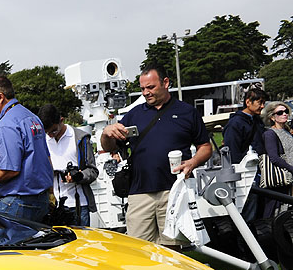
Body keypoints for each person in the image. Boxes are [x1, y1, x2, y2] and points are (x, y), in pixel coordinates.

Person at [99, 64, 211, 245]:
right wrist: (106, 133)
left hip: (174, 191)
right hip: (139, 192)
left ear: (165, 83)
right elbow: (110, 146)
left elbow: (205, 146)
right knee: (138, 251)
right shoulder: (134, 114)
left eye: (150, 87)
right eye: (142, 88)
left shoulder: (187, 112)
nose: (145, 93)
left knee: (174, 249)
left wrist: (192, 162)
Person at [0, 75, 53, 222]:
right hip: (41, 200)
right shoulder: (32, 118)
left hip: (19, 202)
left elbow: (10, 169)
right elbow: (46, 158)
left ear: (0, 97)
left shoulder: (8, 123)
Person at [38, 104, 99, 226]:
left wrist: (78, 176)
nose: (51, 135)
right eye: (47, 132)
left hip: (79, 204)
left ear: (62, 120)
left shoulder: (80, 138)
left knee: (82, 243)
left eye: (54, 130)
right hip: (53, 205)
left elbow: (93, 171)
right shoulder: (42, 140)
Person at [223, 87, 268, 218]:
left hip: (259, 172)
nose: (262, 106)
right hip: (246, 176)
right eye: (260, 102)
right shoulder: (236, 123)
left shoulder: (256, 121)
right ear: (248, 102)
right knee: (248, 212)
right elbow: (232, 153)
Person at [261, 101, 293, 194]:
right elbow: (274, 158)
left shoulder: (286, 130)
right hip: (283, 178)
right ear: (272, 117)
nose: (284, 114)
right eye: (280, 113)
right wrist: (291, 168)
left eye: (286, 111)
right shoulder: (270, 134)